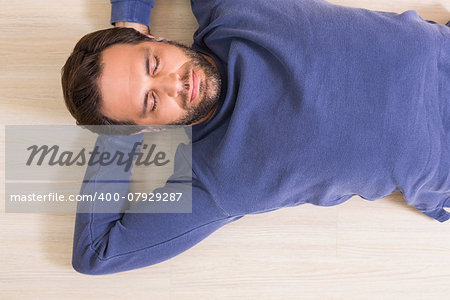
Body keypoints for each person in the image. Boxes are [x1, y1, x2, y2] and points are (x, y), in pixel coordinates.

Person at [61, 0, 450, 275]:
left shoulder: (231, 11)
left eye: (153, 63)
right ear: (148, 127)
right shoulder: (214, 182)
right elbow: (96, 253)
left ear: (158, 39)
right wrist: (119, 133)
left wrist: (129, 18)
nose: (174, 84)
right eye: (149, 100)